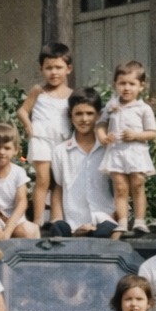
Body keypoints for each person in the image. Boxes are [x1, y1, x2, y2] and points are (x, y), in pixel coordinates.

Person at [95, 61, 156, 235]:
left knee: (137, 185)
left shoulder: (143, 108)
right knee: (120, 187)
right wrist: (103, 137)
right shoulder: (112, 105)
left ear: (141, 86)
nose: (127, 88)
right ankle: (122, 221)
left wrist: (136, 135)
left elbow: (152, 133)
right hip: (116, 152)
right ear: (115, 84)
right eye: (122, 83)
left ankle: (139, 221)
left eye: (132, 84)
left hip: (136, 152)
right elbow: (101, 124)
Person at [49, 87, 118, 238]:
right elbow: (58, 189)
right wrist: (57, 221)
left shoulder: (109, 149)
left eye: (90, 113)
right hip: (73, 226)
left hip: (105, 223)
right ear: (70, 115)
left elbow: (120, 188)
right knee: (58, 229)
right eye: (78, 113)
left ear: (99, 115)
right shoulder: (60, 152)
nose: (84, 119)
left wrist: (114, 219)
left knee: (104, 231)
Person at [17, 42, 73, 229]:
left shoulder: (71, 95)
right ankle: (38, 219)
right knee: (43, 179)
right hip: (41, 139)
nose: (54, 72)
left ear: (68, 69)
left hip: (62, 141)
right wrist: (28, 126)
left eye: (58, 67)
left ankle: (55, 218)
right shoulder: (38, 91)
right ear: (41, 69)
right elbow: (22, 111)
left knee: (58, 181)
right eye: (49, 68)